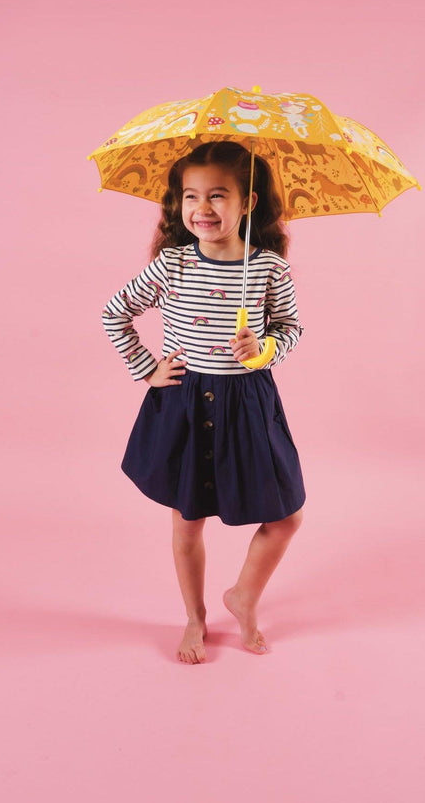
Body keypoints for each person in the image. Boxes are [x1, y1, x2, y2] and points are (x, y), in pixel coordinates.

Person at [101, 141, 305, 664]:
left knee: (286, 516)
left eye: (219, 195)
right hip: (187, 405)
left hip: (248, 406)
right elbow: (113, 314)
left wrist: (264, 350)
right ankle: (194, 617)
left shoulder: (268, 269)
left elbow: (291, 329)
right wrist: (146, 367)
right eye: (191, 196)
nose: (203, 209)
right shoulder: (171, 265)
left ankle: (243, 597)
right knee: (187, 520)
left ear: (248, 202)